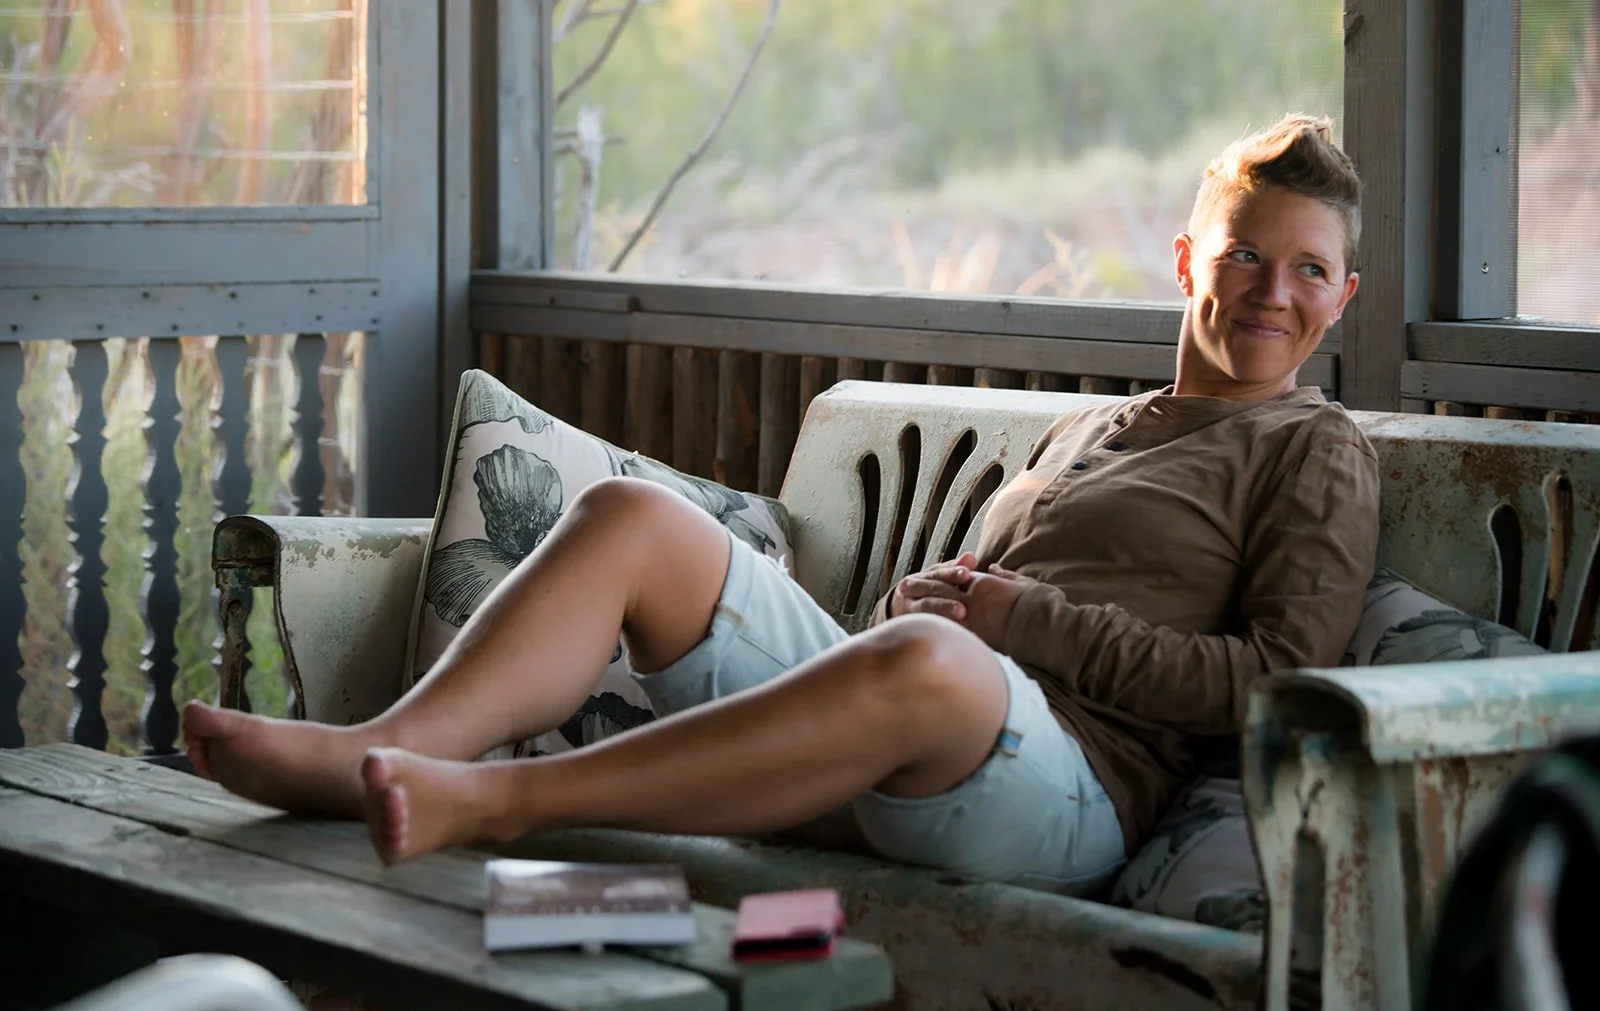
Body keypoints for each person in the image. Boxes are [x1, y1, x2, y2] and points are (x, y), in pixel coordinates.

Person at [182, 113, 1380, 892]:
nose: (1270, 290)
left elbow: (1276, 684)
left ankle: (495, 801)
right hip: (928, 715)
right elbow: (974, 615)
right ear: (1187, 260)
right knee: (633, 520)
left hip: (1071, 791)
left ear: (1342, 298)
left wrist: (1021, 622)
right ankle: (384, 749)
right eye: (1243, 252)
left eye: (1308, 270)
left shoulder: (1311, 447)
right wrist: (930, 602)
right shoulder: (1094, 429)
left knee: (930, 661)